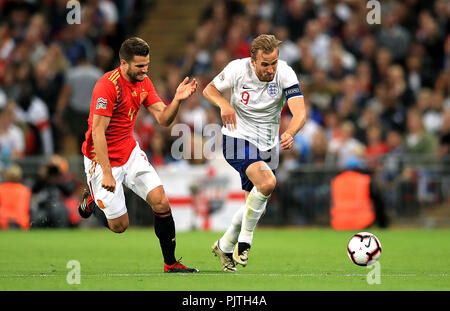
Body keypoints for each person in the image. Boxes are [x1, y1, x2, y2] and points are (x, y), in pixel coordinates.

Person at [77, 37, 199, 273]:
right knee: (120, 226)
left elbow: (164, 119)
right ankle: (92, 200)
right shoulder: (107, 86)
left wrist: (177, 100)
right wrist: (107, 173)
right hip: (100, 159)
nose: (145, 70)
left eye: (147, 65)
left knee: (161, 201)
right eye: (140, 66)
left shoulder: (144, 82)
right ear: (124, 64)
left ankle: (170, 263)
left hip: (129, 151)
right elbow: (97, 133)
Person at [203, 34, 306, 271]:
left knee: (257, 201)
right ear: (253, 61)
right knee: (268, 182)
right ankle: (245, 241)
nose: (270, 69)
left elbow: (299, 113)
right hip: (236, 137)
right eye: (265, 64)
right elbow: (209, 90)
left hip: (267, 144)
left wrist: (290, 132)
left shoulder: (285, 73)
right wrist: (224, 104)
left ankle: (224, 244)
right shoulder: (237, 69)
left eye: (274, 63)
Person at [330, 157, 389, 230]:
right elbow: (379, 201)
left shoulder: (337, 181)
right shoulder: (365, 180)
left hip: (339, 223)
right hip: (362, 222)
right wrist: (383, 224)